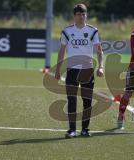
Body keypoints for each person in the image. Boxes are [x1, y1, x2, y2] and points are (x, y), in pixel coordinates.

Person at [55, 3, 104, 138]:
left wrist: (101, 66)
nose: (82, 16)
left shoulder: (93, 31)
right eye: (79, 14)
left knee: (87, 101)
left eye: (84, 14)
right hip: (72, 70)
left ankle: (85, 129)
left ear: (86, 15)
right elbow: (62, 51)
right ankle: (72, 130)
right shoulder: (67, 31)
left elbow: (99, 50)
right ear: (74, 16)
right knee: (71, 100)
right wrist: (58, 69)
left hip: (87, 70)